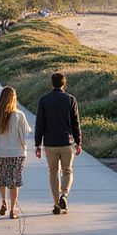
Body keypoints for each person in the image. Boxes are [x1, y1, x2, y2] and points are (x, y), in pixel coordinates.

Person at [34, 72, 83, 214]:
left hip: (50, 143)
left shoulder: (44, 100)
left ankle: (56, 203)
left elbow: (40, 123)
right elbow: (76, 123)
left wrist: (37, 143)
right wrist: (78, 141)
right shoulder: (70, 100)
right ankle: (64, 195)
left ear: (51, 83)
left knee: (53, 172)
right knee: (67, 170)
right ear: (64, 83)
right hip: (67, 142)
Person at [0, 86, 29, 218]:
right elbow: (25, 133)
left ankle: (3, 201)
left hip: (1, 151)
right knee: (14, 181)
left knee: (1, 178)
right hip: (17, 152)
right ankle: (13, 209)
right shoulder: (19, 115)